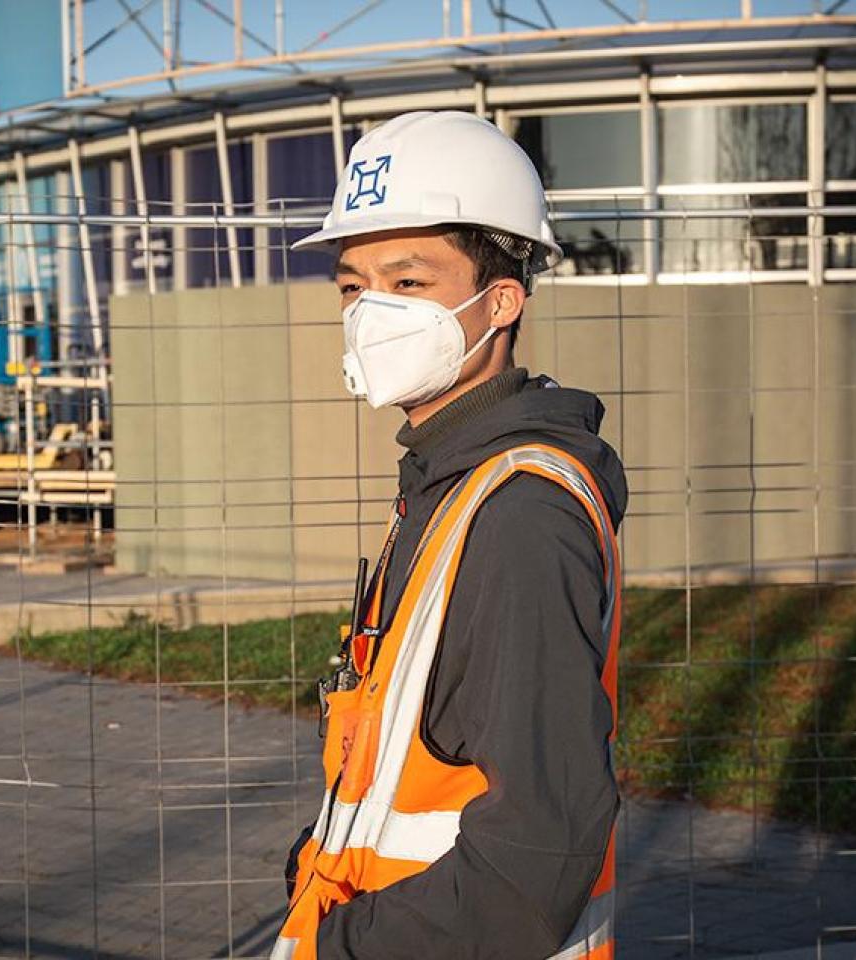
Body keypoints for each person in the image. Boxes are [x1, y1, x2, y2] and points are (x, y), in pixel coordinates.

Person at [272, 110, 628, 960]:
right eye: (353, 287)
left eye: (408, 280)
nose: (371, 311)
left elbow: (540, 846)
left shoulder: (520, 515)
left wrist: (343, 946)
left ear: (501, 300)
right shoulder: (445, 480)